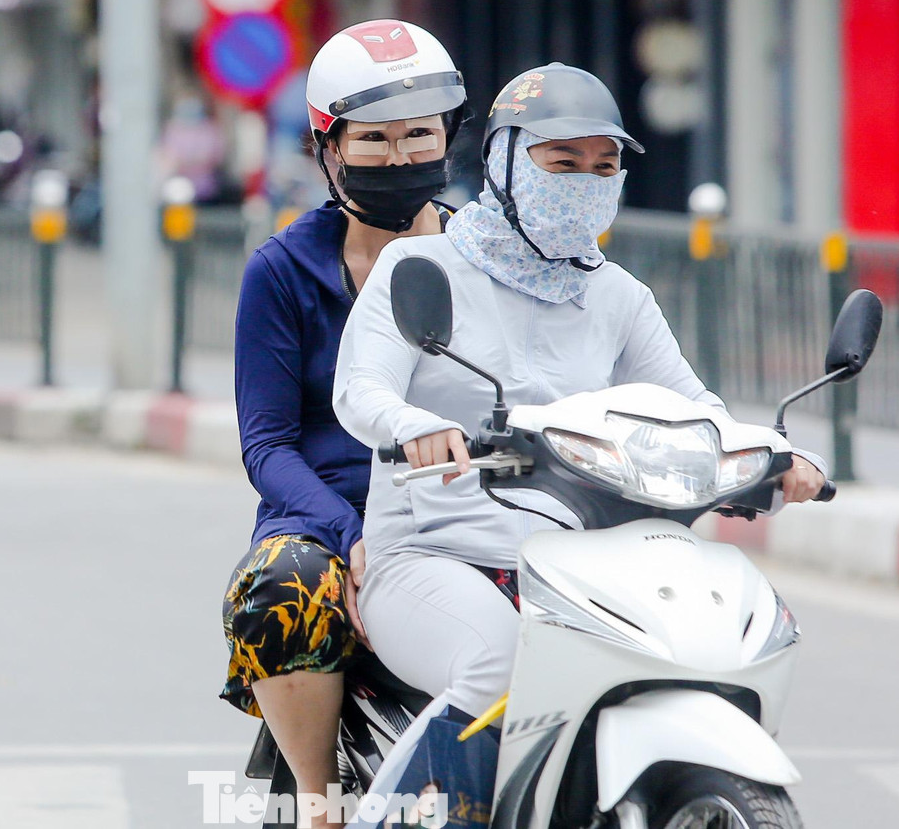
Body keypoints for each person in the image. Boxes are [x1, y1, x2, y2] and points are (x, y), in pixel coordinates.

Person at [331, 64, 826, 748]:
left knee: (685, 656)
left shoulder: (619, 295)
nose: (585, 183)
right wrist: (413, 424)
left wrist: (774, 454)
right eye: (563, 162)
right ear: (504, 162)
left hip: (582, 566)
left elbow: (694, 406)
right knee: (500, 666)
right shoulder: (420, 268)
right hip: (436, 554)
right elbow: (362, 389)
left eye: (604, 166)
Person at [220, 19, 467, 826]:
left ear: (450, 135)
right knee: (281, 587)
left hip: (467, 507)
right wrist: (350, 534)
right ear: (328, 146)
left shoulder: (486, 258)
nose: (399, 157)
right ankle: (320, 800)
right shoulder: (281, 272)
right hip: (330, 520)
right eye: (374, 138)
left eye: (419, 134)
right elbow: (268, 445)